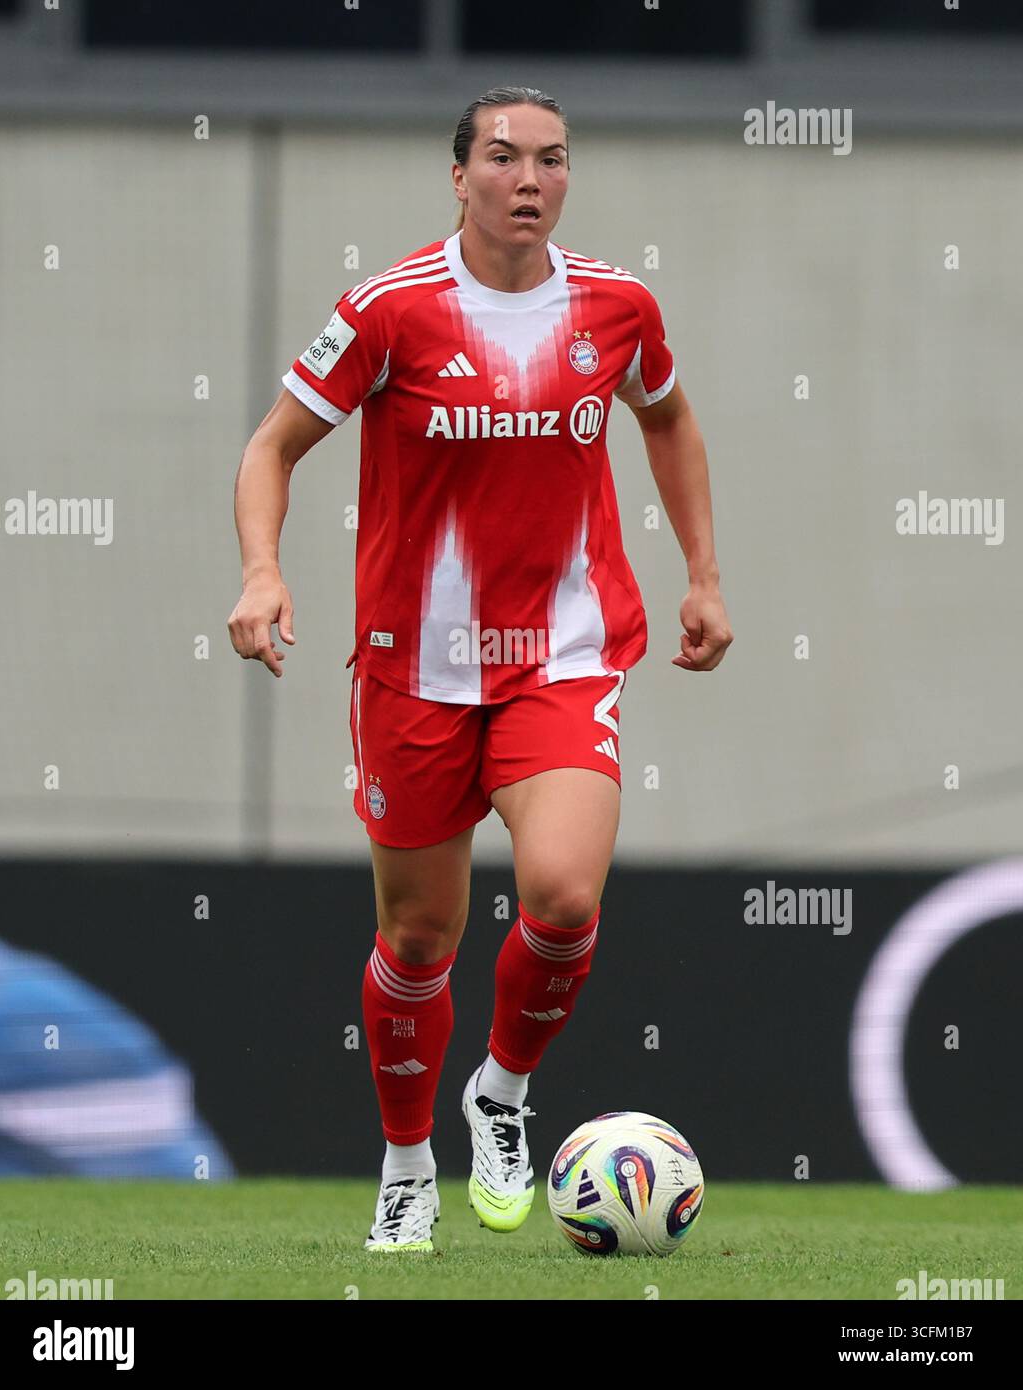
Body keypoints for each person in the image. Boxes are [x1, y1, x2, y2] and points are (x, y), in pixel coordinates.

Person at [228, 85, 733, 1252]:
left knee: (560, 893)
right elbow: (272, 445)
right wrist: (262, 571)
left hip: (560, 657)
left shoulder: (616, 306)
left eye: (551, 161)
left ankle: (499, 1095)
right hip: (412, 670)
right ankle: (407, 1163)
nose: (528, 180)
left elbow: (666, 418)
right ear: (457, 176)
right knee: (418, 940)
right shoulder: (386, 310)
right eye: (502, 158)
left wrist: (700, 575)